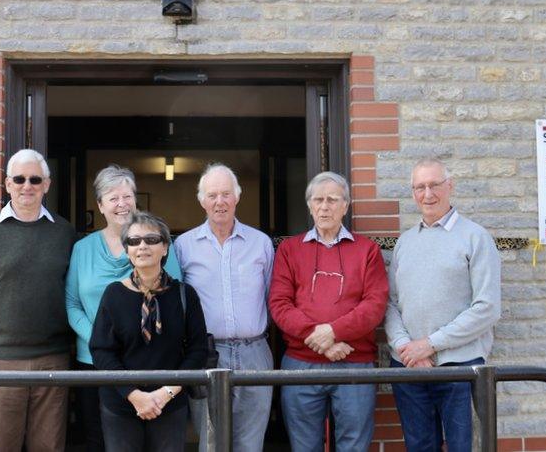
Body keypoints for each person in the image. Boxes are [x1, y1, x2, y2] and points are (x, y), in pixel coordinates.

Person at [0, 149, 77, 452]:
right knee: (3, 446)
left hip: (53, 357)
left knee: (49, 446)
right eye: (20, 179)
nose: (27, 185)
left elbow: (74, 293)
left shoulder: (64, 232)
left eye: (35, 179)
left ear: (46, 185)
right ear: (7, 184)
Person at [384, 158, 501, 452]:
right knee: (419, 446)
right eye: (419, 187)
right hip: (408, 366)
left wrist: (431, 345)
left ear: (450, 186)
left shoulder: (476, 237)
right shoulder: (405, 242)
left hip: (459, 368)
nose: (427, 194)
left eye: (434, 185)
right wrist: (405, 347)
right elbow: (391, 303)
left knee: (462, 447)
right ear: (412, 193)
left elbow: (487, 307)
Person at [269, 171, 389, 452]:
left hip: (354, 364)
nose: (325, 206)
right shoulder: (289, 249)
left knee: (354, 446)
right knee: (304, 446)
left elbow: (374, 305)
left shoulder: (367, 250)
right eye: (318, 200)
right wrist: (320, 338)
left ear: (345, 206)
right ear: (309, 205)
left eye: (333, 200)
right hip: (300, 364)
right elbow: (280, 304)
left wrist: (333, 332)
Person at [66, 165, 182, 452]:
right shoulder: (83, 249)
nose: (121, 204)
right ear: (100, 205)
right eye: (113, 197)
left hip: (149, 361)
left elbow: (173, 297)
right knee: (97, 440)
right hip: (95, 362)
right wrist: (100, 337)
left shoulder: (155, 244)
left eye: (127, 196)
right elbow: (72, 303)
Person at [173, 163, 275, 452]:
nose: (220, 202)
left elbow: (272, 298)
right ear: (202, 200)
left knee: (250, 443)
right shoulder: (183, 246)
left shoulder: (261, 244)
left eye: (226, 194)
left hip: (255, 352)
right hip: (206, 354)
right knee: (211, 442)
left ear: (237, 197)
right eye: (213, 195)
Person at [90, 212, 208, 452]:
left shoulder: (185, 294)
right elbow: (101, 350)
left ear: (165, 247)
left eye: (151, 240)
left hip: (170, 404)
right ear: (127, 251)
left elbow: (198, 351)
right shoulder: (113, 294)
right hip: (121, 405)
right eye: (134, 241)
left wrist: (165, 394)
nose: (142, 246)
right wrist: (134, 395)